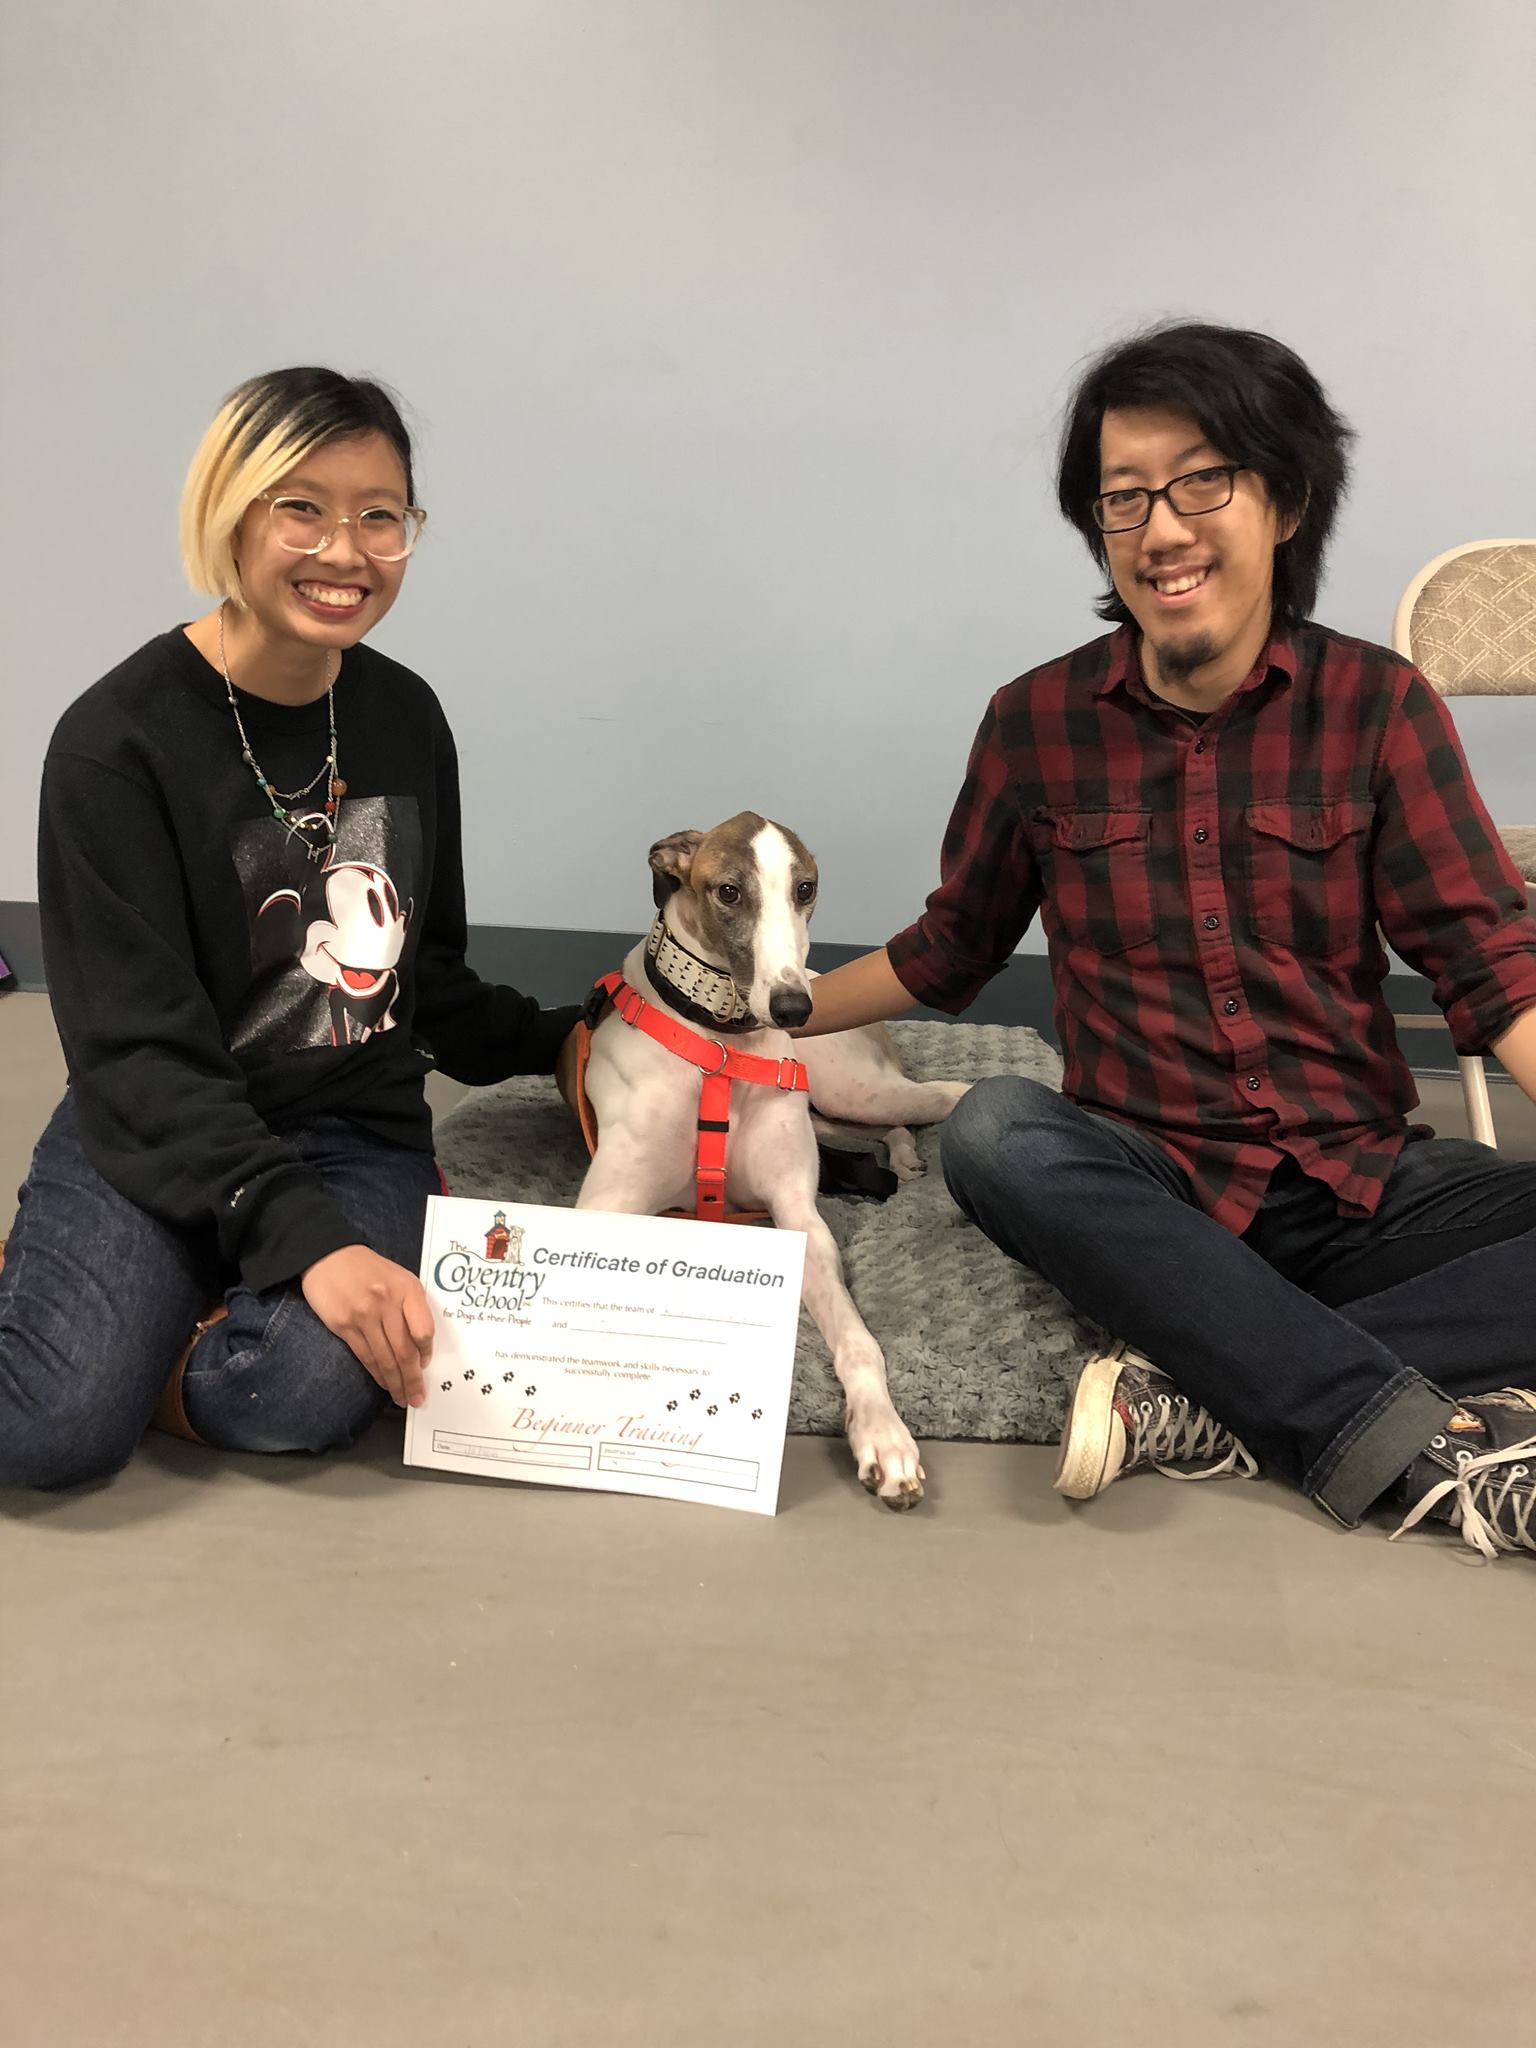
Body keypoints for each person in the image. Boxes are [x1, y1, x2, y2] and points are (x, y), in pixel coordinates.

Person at [800, 321, 1536, 1560]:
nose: (1162, 528)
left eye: (1202, 482)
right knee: (995, 1127)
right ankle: (1368, 1412)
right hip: (1145, 1182)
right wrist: (736, 1005)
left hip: (1357, 1179)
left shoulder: (1380, 708)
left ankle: (1214, 1377)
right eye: (1125, 497)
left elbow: (1490, 961)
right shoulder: (1034, 721)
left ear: (1285, 498)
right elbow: (948, 952)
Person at [0, 368, 579, 1489]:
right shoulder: (114, 743)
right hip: (158, 1118)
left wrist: (569, 1035)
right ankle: (84, 1298)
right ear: (230, 509)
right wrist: (305, 1242)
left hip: (351, 1130)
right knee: (50, 1435)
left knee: (287, 1398)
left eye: (380, 515)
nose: (345, 550)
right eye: (301, 507)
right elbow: (136, 1051)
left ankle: (147, 1323)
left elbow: (429, 979)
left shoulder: (405, 714)